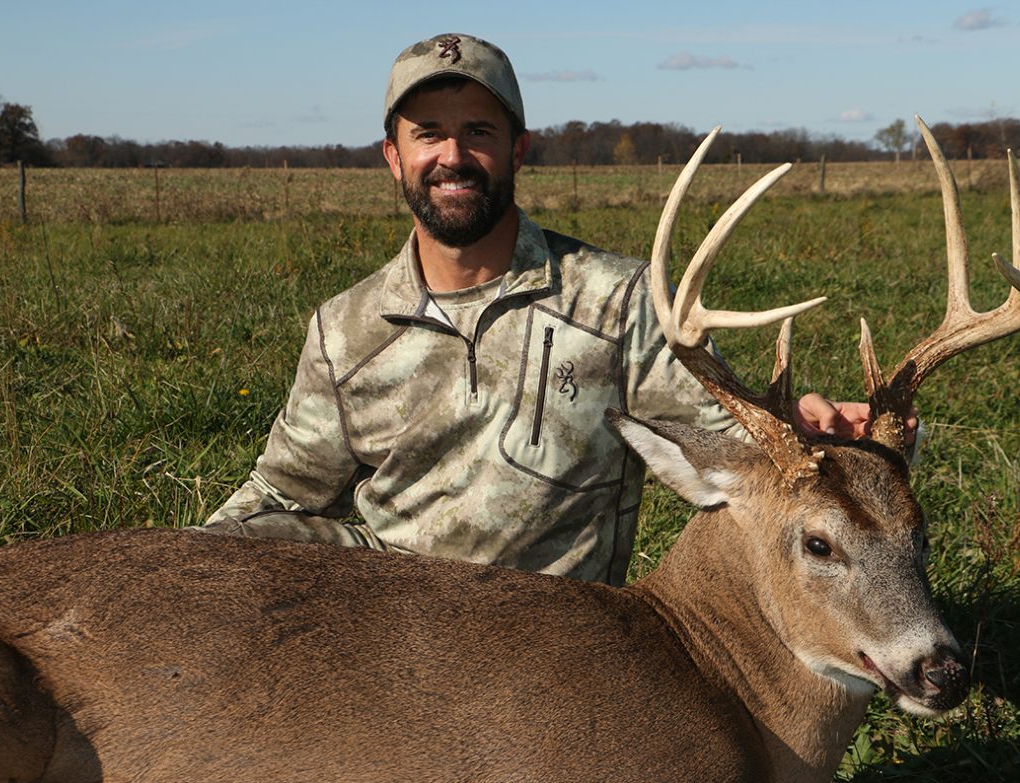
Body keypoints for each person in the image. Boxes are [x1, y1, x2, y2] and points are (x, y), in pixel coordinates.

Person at [202, 33, 886, 585]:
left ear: (516, 149)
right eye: (427, 133)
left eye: (478, 130)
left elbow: (736, 457)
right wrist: (158, 576)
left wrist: (810, 435)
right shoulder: (346, 328)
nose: (452, 155)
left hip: (554, 657)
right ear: (393, 156)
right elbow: (283, 495)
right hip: (389, 642)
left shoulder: (617, 303)